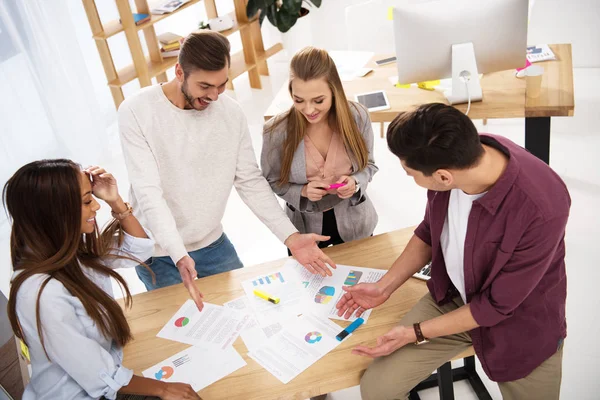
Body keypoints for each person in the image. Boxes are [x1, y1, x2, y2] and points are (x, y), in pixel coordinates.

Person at [336, 103, 570, 400]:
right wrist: (385, 286)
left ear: (444, 177)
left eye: (411, 174)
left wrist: (415, 332)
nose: (411, 179)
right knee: (377, 388)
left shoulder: (542, 207)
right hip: (453, 297)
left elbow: (495, 307)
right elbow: (429, 232)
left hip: (520, 323)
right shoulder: (456, 154)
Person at [118, 31, 336, 311]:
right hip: (161, 254)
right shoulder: (137, 110)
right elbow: (148, 193)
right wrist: (178, 254)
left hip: (213, 244)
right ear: (179, 72)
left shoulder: (230, 113)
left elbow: (250, 181)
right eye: (205, 86)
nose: (214, 95)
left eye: (221, 85)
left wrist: (290, 236)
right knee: (186, 335)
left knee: (248, 314)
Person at [4, 160, 201, 400]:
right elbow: (97, 373)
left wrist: (115, 200)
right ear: (55, 213)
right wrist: (163, 388)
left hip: (109, 373)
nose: (96, 206)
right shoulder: (39, 292)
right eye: (87, 200)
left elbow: (139, 250)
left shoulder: (72, 253)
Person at [261, 47, 378, 250]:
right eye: (299, 100)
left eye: (318, 100)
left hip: (355, 222)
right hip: (304, 228)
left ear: (334, 91)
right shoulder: (276, 131)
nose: (309, 109)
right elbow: (271, 180)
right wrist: (302, 191)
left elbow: (369, 165)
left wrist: (355, 182)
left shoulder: (358, 117)